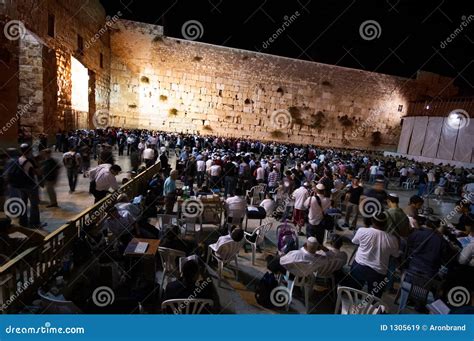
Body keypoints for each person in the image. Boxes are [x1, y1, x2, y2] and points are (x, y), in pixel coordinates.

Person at [347, 212, 399, 297]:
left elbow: (354, 241)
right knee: (374, 299)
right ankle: (370, 309)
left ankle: (350, 307)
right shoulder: (393, 239)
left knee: (351, 293)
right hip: (378, 273)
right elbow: (395, 255)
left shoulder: (362, 231)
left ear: (372, 221)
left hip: (359, 267)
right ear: (386, 223)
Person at [5, 144, 45, 229]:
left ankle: (23, 222)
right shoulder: (29, 160)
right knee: (34, 205)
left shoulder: (18, 159)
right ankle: (34, 223)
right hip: (30, 186)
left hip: (21, 186)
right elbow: (38, 173)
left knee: (23, 203)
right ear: (29, 151)